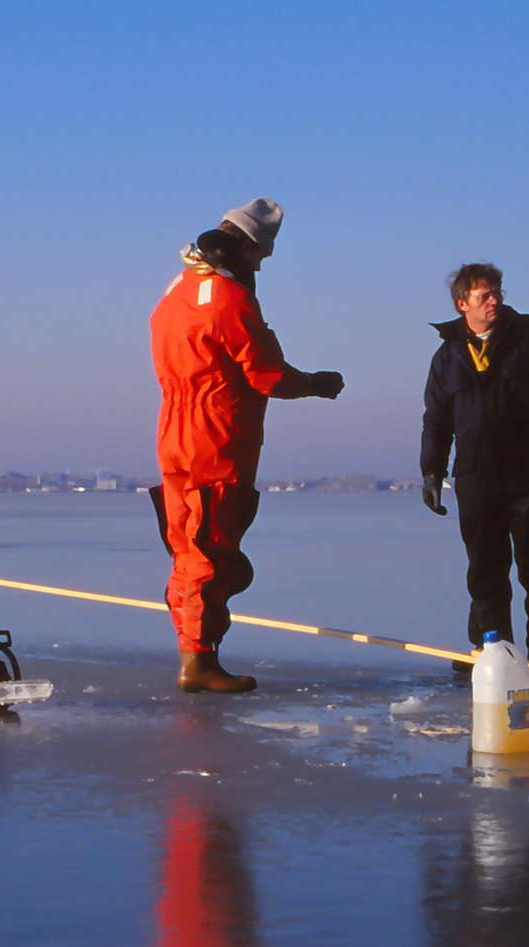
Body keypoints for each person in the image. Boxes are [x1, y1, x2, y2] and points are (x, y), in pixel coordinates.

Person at [149, 198, 344, 693]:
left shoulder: (176, 289)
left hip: (173, 427)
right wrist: (316, 383)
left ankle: (194, 649)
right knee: (209, 546)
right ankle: (198, 662)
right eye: (262, 254)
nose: (263, 264)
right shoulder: (230, 296)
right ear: (247, 245)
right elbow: (265, 374)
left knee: (185, 544)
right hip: (216, 432)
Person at [419, 264, 529, 684]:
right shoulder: (448, 355)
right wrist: (431, 471)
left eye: (497, 293)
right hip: (476, 478)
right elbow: (436, 419)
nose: (495, 300)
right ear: (462, 303)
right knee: (485, 571)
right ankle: (491, 653)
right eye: (485, 295)